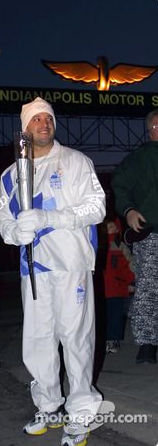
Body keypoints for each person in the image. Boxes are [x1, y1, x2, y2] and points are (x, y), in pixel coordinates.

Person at [0, 97, 106, 446]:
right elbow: (3, 220)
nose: (44, 124)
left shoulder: (75, 162)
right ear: (24, 129)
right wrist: (16, 233)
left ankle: (82, 412)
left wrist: (50, 219)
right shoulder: (11, 174)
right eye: (36, 120)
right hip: (34, 268)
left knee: (76, 340)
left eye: (48, 118)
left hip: (71, 264)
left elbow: (97, 207)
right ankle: (48, 406)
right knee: (38, 342)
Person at [111, 109, 158, 365]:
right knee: (150, 289)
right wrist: (128, 210)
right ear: (153, 128)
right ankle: (147, 344)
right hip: (151, 234)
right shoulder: (139, 159)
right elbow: (120, 182)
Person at [102, 216, 135, 354]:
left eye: (114, 227)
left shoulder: (120, 245)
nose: (114, 229)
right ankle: (103, 340)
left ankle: (113, 340)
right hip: (102, 289)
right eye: (110, 227)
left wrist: (132, 281)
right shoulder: (99, 245)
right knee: (103, 316)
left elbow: (129, 265)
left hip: (117, 288)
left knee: (115, 316)